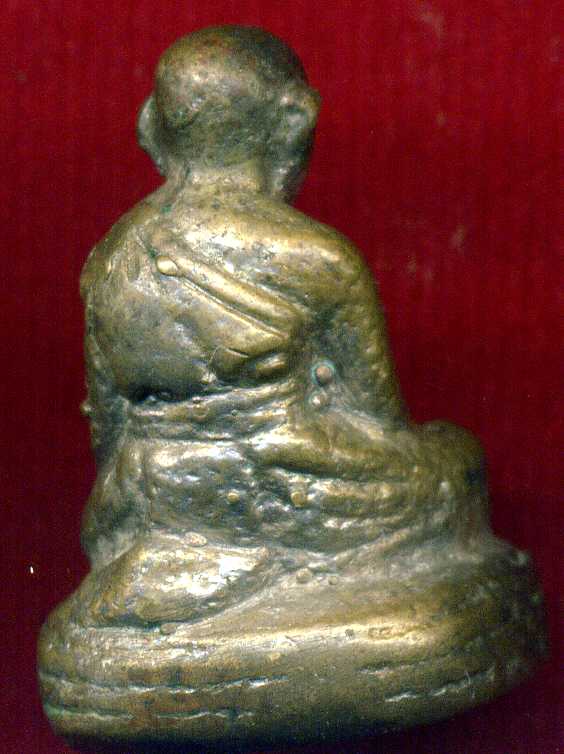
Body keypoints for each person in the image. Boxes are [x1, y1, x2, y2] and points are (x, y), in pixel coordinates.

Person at [71, 25, 484, 626]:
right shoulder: (316, 257)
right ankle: (283, 581)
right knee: (456, 460)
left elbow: (107, 431)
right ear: (294, 121)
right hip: (283, 482)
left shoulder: (108, 258)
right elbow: (378, 421)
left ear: (150, 125)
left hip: (145, 496)